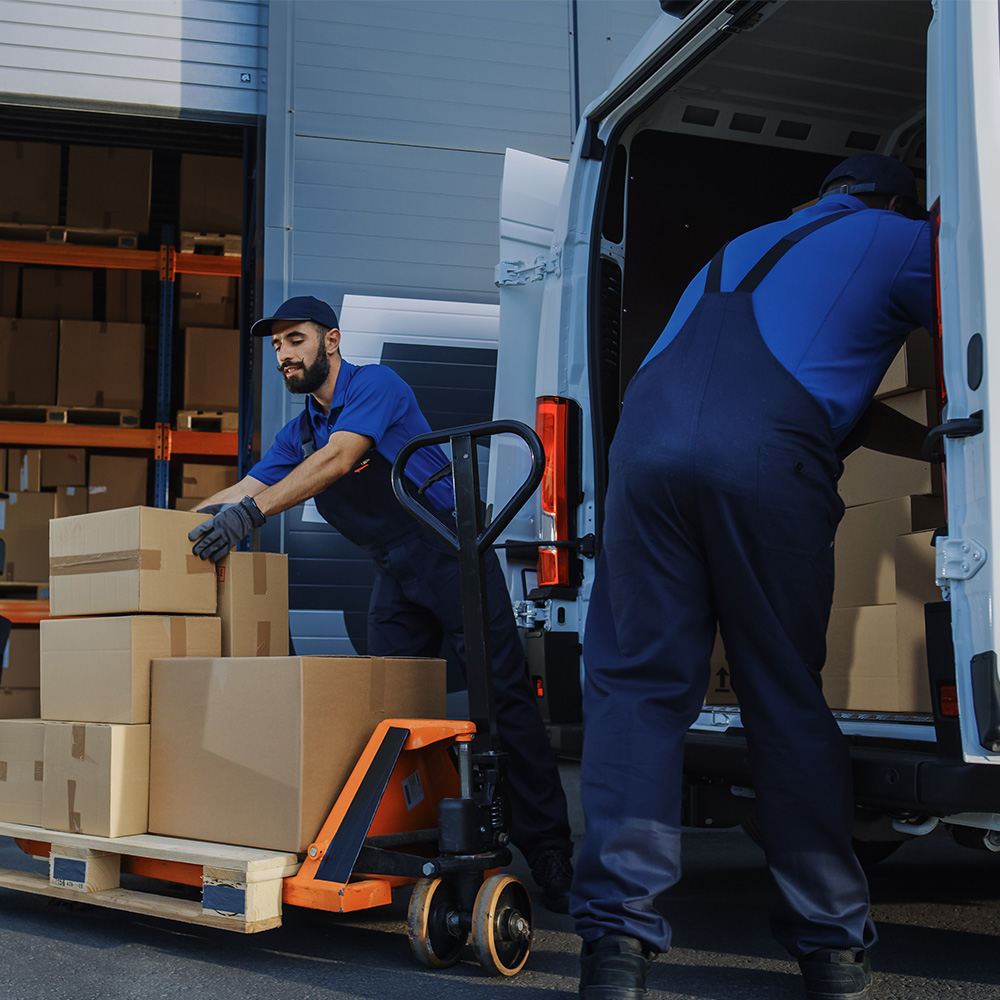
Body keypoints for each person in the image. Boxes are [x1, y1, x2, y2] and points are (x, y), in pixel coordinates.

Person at [571, 155, 933, 1000]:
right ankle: (832, 950)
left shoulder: (742, 249)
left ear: (825, 197)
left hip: (645, 458)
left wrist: (916, 442)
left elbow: (794, 375)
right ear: (887, 200)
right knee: (782, 695)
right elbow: (977, 306)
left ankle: (614, 950)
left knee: (636, 693)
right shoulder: (900, 236)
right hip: (767, 461)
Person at [187, 295, 575, 911]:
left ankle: (550, 849)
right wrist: (158, 533)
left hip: (451, 552)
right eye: (278, 346)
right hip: (394, 568)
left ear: (331, 342)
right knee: (388, 708)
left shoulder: (376, 387)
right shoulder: (300, 431)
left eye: (297, 340)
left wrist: (247, 517)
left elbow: (341, 460)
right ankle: (408, 838)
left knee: (501, 698)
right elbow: (246, 488)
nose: (285, 354)